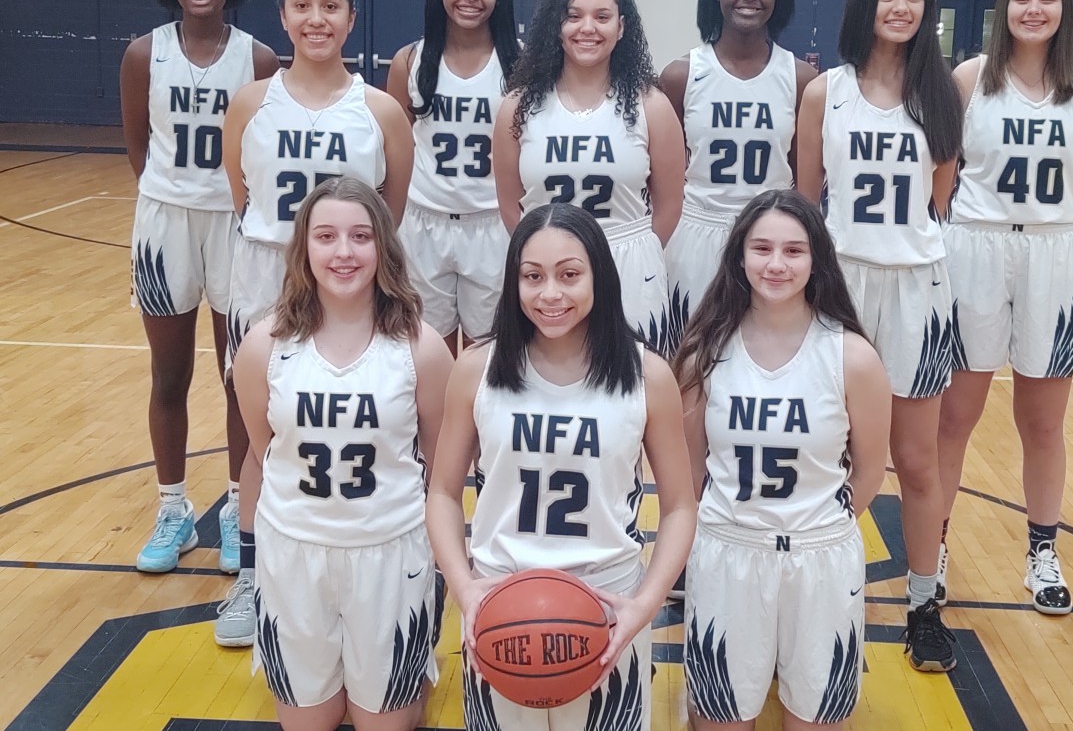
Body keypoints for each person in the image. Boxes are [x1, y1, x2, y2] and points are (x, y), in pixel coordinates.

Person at [426, 203, 696, 731]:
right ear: (513, 282)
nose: (550, 294)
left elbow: (682, 507)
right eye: (533, 276)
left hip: (606, 608)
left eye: (570, 275)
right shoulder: (477, 368)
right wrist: (465, 587)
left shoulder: (647, 375)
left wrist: (643, 606)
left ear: (600, 275)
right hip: (499, 607)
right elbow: (440, 494)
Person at [216, 0, 414, 648]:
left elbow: (391, 209)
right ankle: (251, 573)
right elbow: (245, 198)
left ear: (352, 16)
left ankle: (393, 562)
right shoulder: (249, 103)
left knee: (363, 415)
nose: (316, 18)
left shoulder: (382, 111)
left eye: (330, 5)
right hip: (267, 270)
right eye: (302, 5)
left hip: (353, 275)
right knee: (258, 428)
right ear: (283, 15)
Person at [795, 0, 962, 672]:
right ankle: (821, 594)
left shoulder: (941, 93)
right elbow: (804, 203)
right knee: (826, 449)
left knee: (915, 460)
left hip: (917, 289)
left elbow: (941, 200)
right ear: (865, 4)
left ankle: (924, 602)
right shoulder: (824, 92)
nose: (901, 7)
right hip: (839, 287)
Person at [233, 177, 452, 730]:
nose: (344, 252)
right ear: (304, 249)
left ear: (384, 245)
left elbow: (439, 467)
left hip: (390, 555)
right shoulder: (263, 346)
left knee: (383, 722)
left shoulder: (420, 348)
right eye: (326, 236)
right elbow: (267, 452)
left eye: (360, 236)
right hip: (294, 556)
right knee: (312, 721)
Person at [937, 0, 1073, 616]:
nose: (1033, 9)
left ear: (1065, 7)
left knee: (1043, 424)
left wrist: (1048, 227)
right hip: (975, 247)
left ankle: (1043, 554)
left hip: (1056, 252)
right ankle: (937, 548)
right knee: (955, 417)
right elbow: (945, 170)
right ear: (1004, 8)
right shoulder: (969, 79)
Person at [674, 189, 890, 730]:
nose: (775, 264)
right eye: (761, 248)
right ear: (739, 256)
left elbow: (867, 472)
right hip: (728, 555)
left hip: (820, 560)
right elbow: (691, 472)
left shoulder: (852, 357)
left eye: (793, 251)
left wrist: (818, 526)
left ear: (817, 259)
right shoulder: (705, 352)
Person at [119, 0, 278, 576]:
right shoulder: (142, 54)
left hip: (236, 226)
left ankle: (240, 509)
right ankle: (173, 507)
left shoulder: (259, 58)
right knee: (169, 377)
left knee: (238, 378)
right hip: (163, 223)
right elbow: (136, 145)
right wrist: (169, 196)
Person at [493, 0, 685, 353]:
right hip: (547, 265)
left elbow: (669, 207)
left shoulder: (652, 105)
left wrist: (631, 250)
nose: (587, 28)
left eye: (602, 17)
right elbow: (510, 205)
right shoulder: (518, 106)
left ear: (621, 26)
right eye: (573, 15)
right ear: (555, 25)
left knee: (634, 385)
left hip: (628, 258)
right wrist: (542, 254)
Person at [660, 0, 817, 352]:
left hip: (770, 235)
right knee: (689, 356)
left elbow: (804, 178)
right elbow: (664, 174)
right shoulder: (681, 75)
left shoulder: (800, 78)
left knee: (763, 353)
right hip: (697, 230)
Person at [387, 0, 520, 355]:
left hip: (493, 224)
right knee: (429, 352)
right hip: (424, 222)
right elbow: (393, 149)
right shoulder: (409, 61)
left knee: (488, 355)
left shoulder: (521, 65)